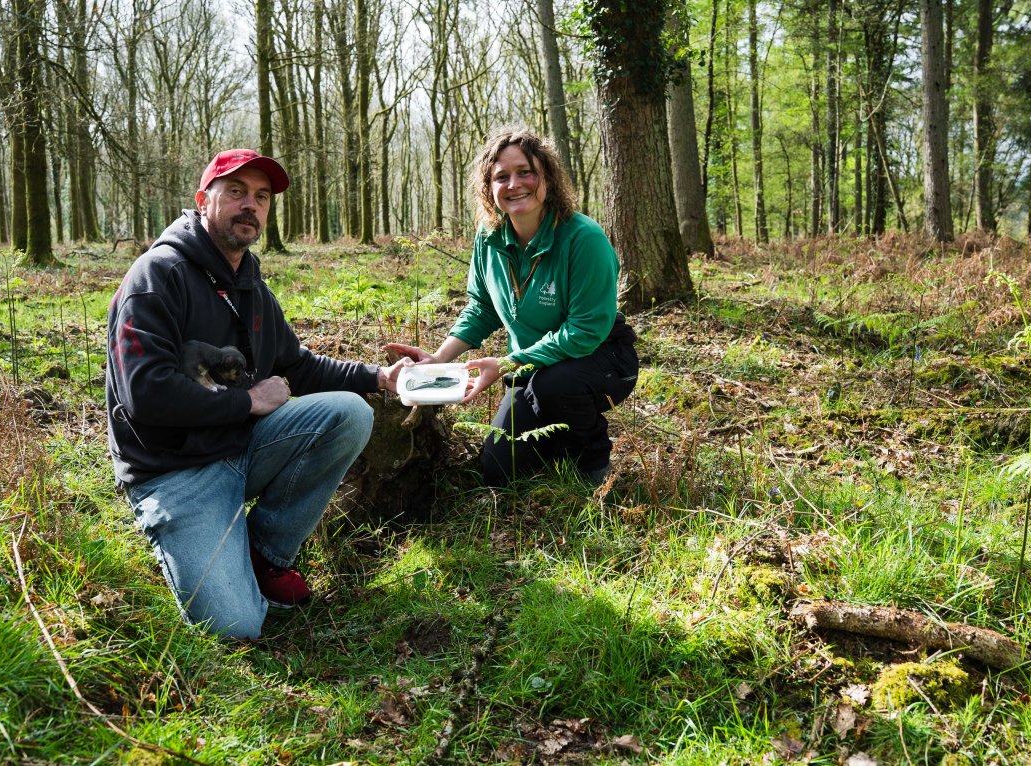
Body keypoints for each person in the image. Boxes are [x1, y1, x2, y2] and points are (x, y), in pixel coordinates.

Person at [106, 149, 409, 640]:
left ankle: (264, 553)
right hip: (173, 474)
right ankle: (197, 539)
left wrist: (380, 377)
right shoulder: (157, 276)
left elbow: (296, 365)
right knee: (235, 627)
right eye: (237, 192)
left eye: (262, 197)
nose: (251, 205)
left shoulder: (251, 286)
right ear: (204, 200)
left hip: (239, 447)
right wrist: (248, 402)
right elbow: (145, 393)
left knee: (348, 413)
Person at [387, 128, 639, 487]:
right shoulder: (488, 238)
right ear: (489, 188)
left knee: (556, 387)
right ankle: (556, 441)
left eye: (526, 172)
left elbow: (584, 333)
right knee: (498, 470)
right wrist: (439, 359)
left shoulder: (584, 238)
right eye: (501, 177)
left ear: (547, 177)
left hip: (602, 360)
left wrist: (507, 363)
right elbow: (482, 308)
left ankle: (592, 468)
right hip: (533, 368)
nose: (514, 184)